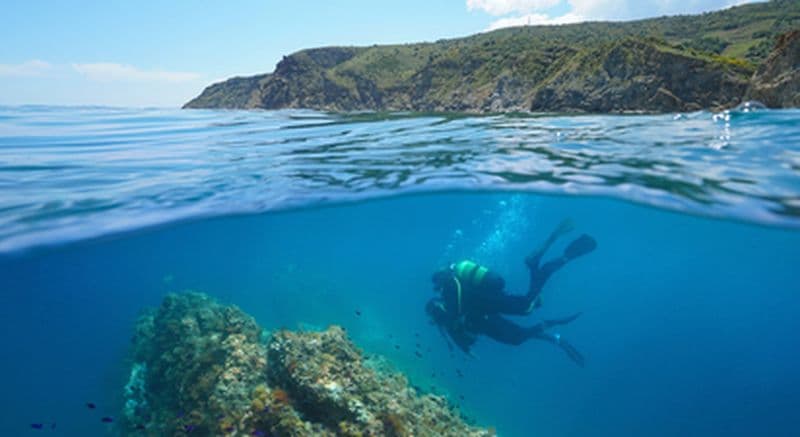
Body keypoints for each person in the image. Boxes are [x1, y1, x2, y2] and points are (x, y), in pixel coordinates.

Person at [426, 219, 596, 366]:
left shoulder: (450, 284)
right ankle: (541, 265)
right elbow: (460, 308)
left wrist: (453, 321)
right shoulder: (451, 287)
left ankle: (538, 264)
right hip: (487, 304)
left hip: (486, 301)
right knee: (524, 314)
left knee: (526, 307)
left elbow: (457, 305)